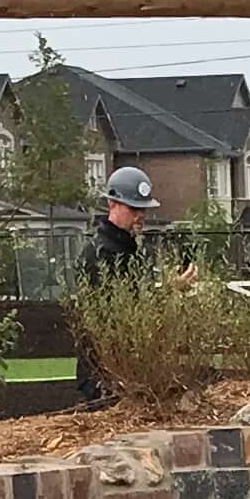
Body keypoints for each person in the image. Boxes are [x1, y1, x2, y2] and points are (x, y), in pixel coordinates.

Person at [74, 164, 158, 400]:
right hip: (103, 374)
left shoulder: (133, 252)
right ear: (112, 204)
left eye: (143, 209)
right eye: (133, 208)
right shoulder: (97, 254)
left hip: (131, 368)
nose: (140, 215)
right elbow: (115, 312)